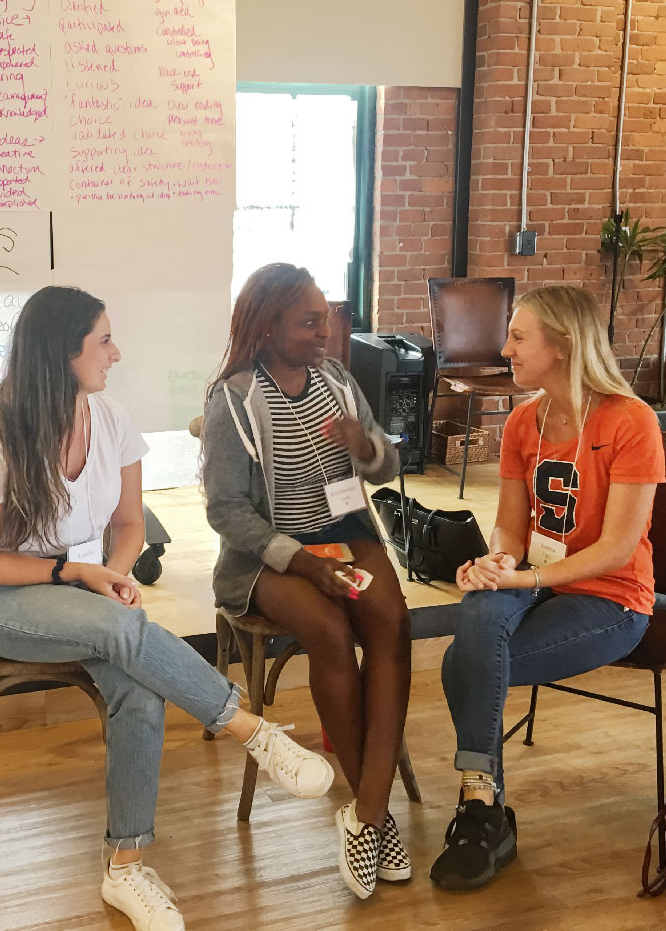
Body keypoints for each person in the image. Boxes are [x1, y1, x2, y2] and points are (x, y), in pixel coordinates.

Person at [0, 285, 334, 931]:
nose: (117, 353)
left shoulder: (112, 423)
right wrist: (77, 571)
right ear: (61, 354)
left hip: (74, 590)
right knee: (124, 629)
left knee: (137, 684)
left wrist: (117, 572)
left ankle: (125, 866)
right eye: (103, 341)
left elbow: (130, 525)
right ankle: (251, 730)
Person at [429, 284, 665, 892]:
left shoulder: (630, 421)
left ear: (562, 346)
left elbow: (616, 548)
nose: (504, 348)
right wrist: (493, 563)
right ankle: (485, 809)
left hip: (613, 598)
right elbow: (511, 524)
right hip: (539, 578)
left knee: (464, 663)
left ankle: (482, 810)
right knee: (481, 603)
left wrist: (525, 575)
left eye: (518, 336)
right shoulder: (521, 422)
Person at [200, 263, 411, 900]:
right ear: (267, 329)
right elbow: (225, 510)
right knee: (325, 627)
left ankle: (367, 814)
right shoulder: (234, 398)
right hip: (269, 556)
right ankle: (374, 809)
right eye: (309, 321)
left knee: (393, 623)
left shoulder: (338, 382)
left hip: (346, 529)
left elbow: (387, 464)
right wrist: (304, 562)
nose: (326, 331)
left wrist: (367, 446)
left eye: (327, 318)